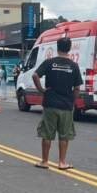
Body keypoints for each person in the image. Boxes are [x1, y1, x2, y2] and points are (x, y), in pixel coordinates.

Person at [32, 37, 82, 170]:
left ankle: (45, 161)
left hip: (50, 104)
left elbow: (35, 75)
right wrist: (72, 100)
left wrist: (42, 90)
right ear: (69, 48)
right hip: (66, 105)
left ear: (57, 47)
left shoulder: (49, 63)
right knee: (64, 135)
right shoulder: (74, 66)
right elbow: (77, 88)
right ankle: (62, 162)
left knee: (47, 134)